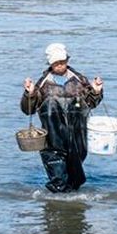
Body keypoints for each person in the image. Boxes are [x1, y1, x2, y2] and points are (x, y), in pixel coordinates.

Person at [20, 43, 104, 191]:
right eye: (56, 63)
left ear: (67, 60)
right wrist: (30, 93)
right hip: (53, 138)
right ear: (50, 64)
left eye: (62, 62)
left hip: (77, 136)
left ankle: (73, 210)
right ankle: (55, 209)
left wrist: (96, 91)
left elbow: (90, 103)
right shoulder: (43, 84)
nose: (59, 65)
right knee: (58, 180)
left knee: (75, 181)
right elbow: (28, 109)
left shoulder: (78, 80)